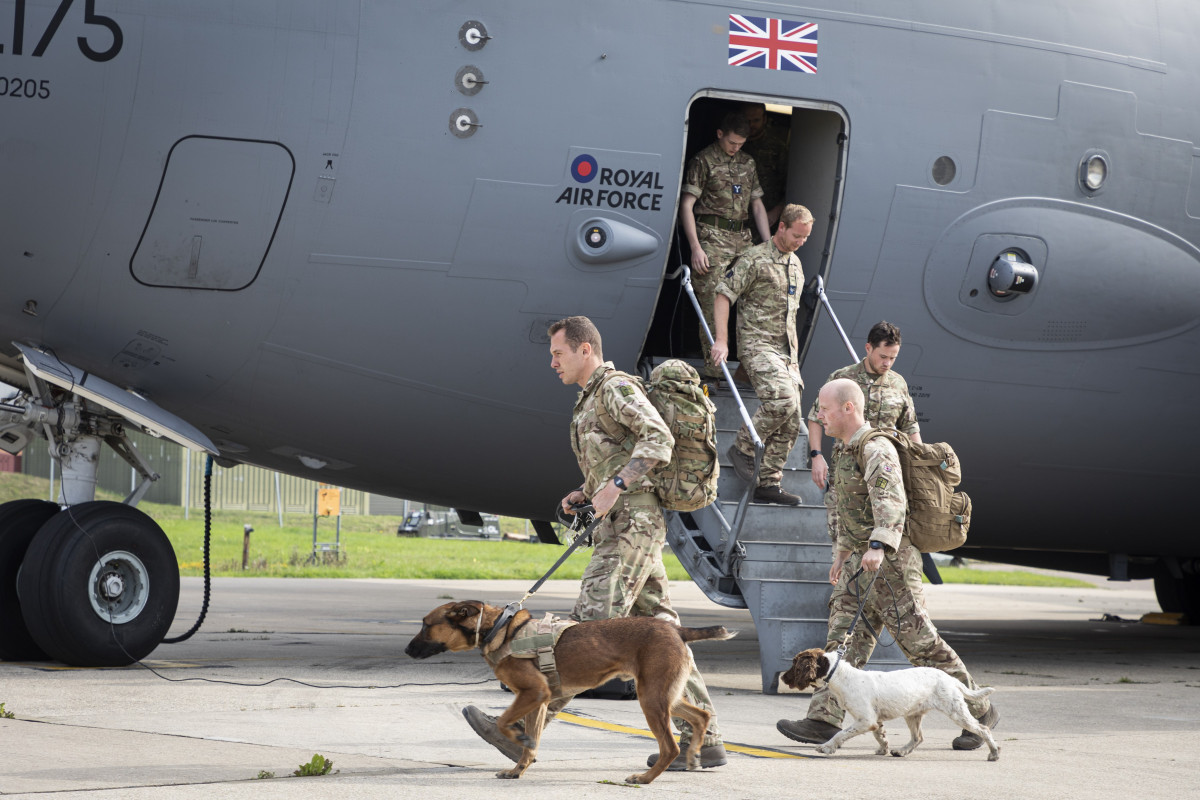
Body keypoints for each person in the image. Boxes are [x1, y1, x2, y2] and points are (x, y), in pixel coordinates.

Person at [463, 316, 727, 770]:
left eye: (558, 353)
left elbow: (658, 439)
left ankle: (519, 735)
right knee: (664, 634)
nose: (552, 363)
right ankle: (705, 738)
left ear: (586, 350)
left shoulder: (614, 388)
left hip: (632, 525)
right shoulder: (590, 398)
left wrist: (617, 485)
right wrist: (588, 490)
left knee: (583, 636)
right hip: (623, 522)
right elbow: (616, 455)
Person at [776, 379, 998, 750]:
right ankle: (823, 719)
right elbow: (850, 508)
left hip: (889, 561)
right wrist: (843, 553)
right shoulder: (845, 449)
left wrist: (879, 544)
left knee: (920, 643)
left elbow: (890, 499)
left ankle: (979, 707)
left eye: (825, 409)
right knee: (843, 644)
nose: (820, 417)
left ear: (849, 408)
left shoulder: (876, 447)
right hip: (859, 563)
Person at [710, 204, 813, 506]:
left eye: (806, 238)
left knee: (793, 416)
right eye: (797, 236)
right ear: (781, 227)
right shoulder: (753, 259)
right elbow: (722, 294)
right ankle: (742, 448)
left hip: (786, 352)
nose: (801, 242)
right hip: (757, 345)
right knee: (783, 398)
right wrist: (721, 340)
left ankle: (768, 483)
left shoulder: (795, 264)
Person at [679, 112, 771, 376]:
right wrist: (696, 247)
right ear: (720, 134)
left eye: (741, 144)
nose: (736, 148)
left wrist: (768, 246)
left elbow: (757, 205)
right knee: (711, 303)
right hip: (711, 238)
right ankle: (714, 372)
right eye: (732, 143)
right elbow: (687, 205)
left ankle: (747, 367)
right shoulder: (703, 161)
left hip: (742, 239)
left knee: (756, 301)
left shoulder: (748, 163)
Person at [808, 321, 922, 494]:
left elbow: (910, 427)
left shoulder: (898, 384)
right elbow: (816, 417)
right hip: (846, 476)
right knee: (841, 521)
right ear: (868, 348)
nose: (887, 363)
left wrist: (920, 466)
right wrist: (816, 456)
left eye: (893, 358)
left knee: (886, 519)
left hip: (884, 473)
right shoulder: (842, 378)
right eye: (883, 357)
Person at [740, 102, 790, 235]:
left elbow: (790, 186)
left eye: (756, 120)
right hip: (736, 223)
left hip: (767, 221)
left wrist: (776, 211)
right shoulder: (733, 145)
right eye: (747, 120)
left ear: (765, 119)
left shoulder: (777, 148)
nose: (751, 125)